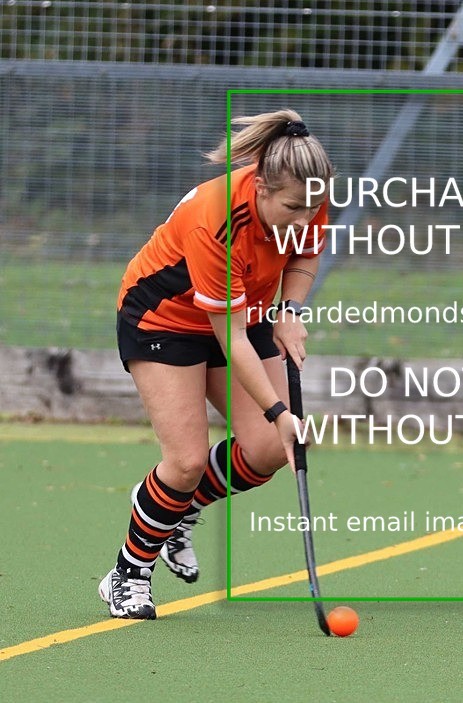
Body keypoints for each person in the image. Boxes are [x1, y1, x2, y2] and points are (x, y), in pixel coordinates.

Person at [99, 110, 333, 619]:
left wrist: (290, 311)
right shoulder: (218, 217)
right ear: (261, 187)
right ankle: (128, 573)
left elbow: (304, 257)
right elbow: (229, 340)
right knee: (186, 462)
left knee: (269, 450)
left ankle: (174, 513)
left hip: (240, 309)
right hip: (165, 317)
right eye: (292, 208)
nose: (304, 218)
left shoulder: (308, 195)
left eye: (311, 208)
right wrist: (279, 410)